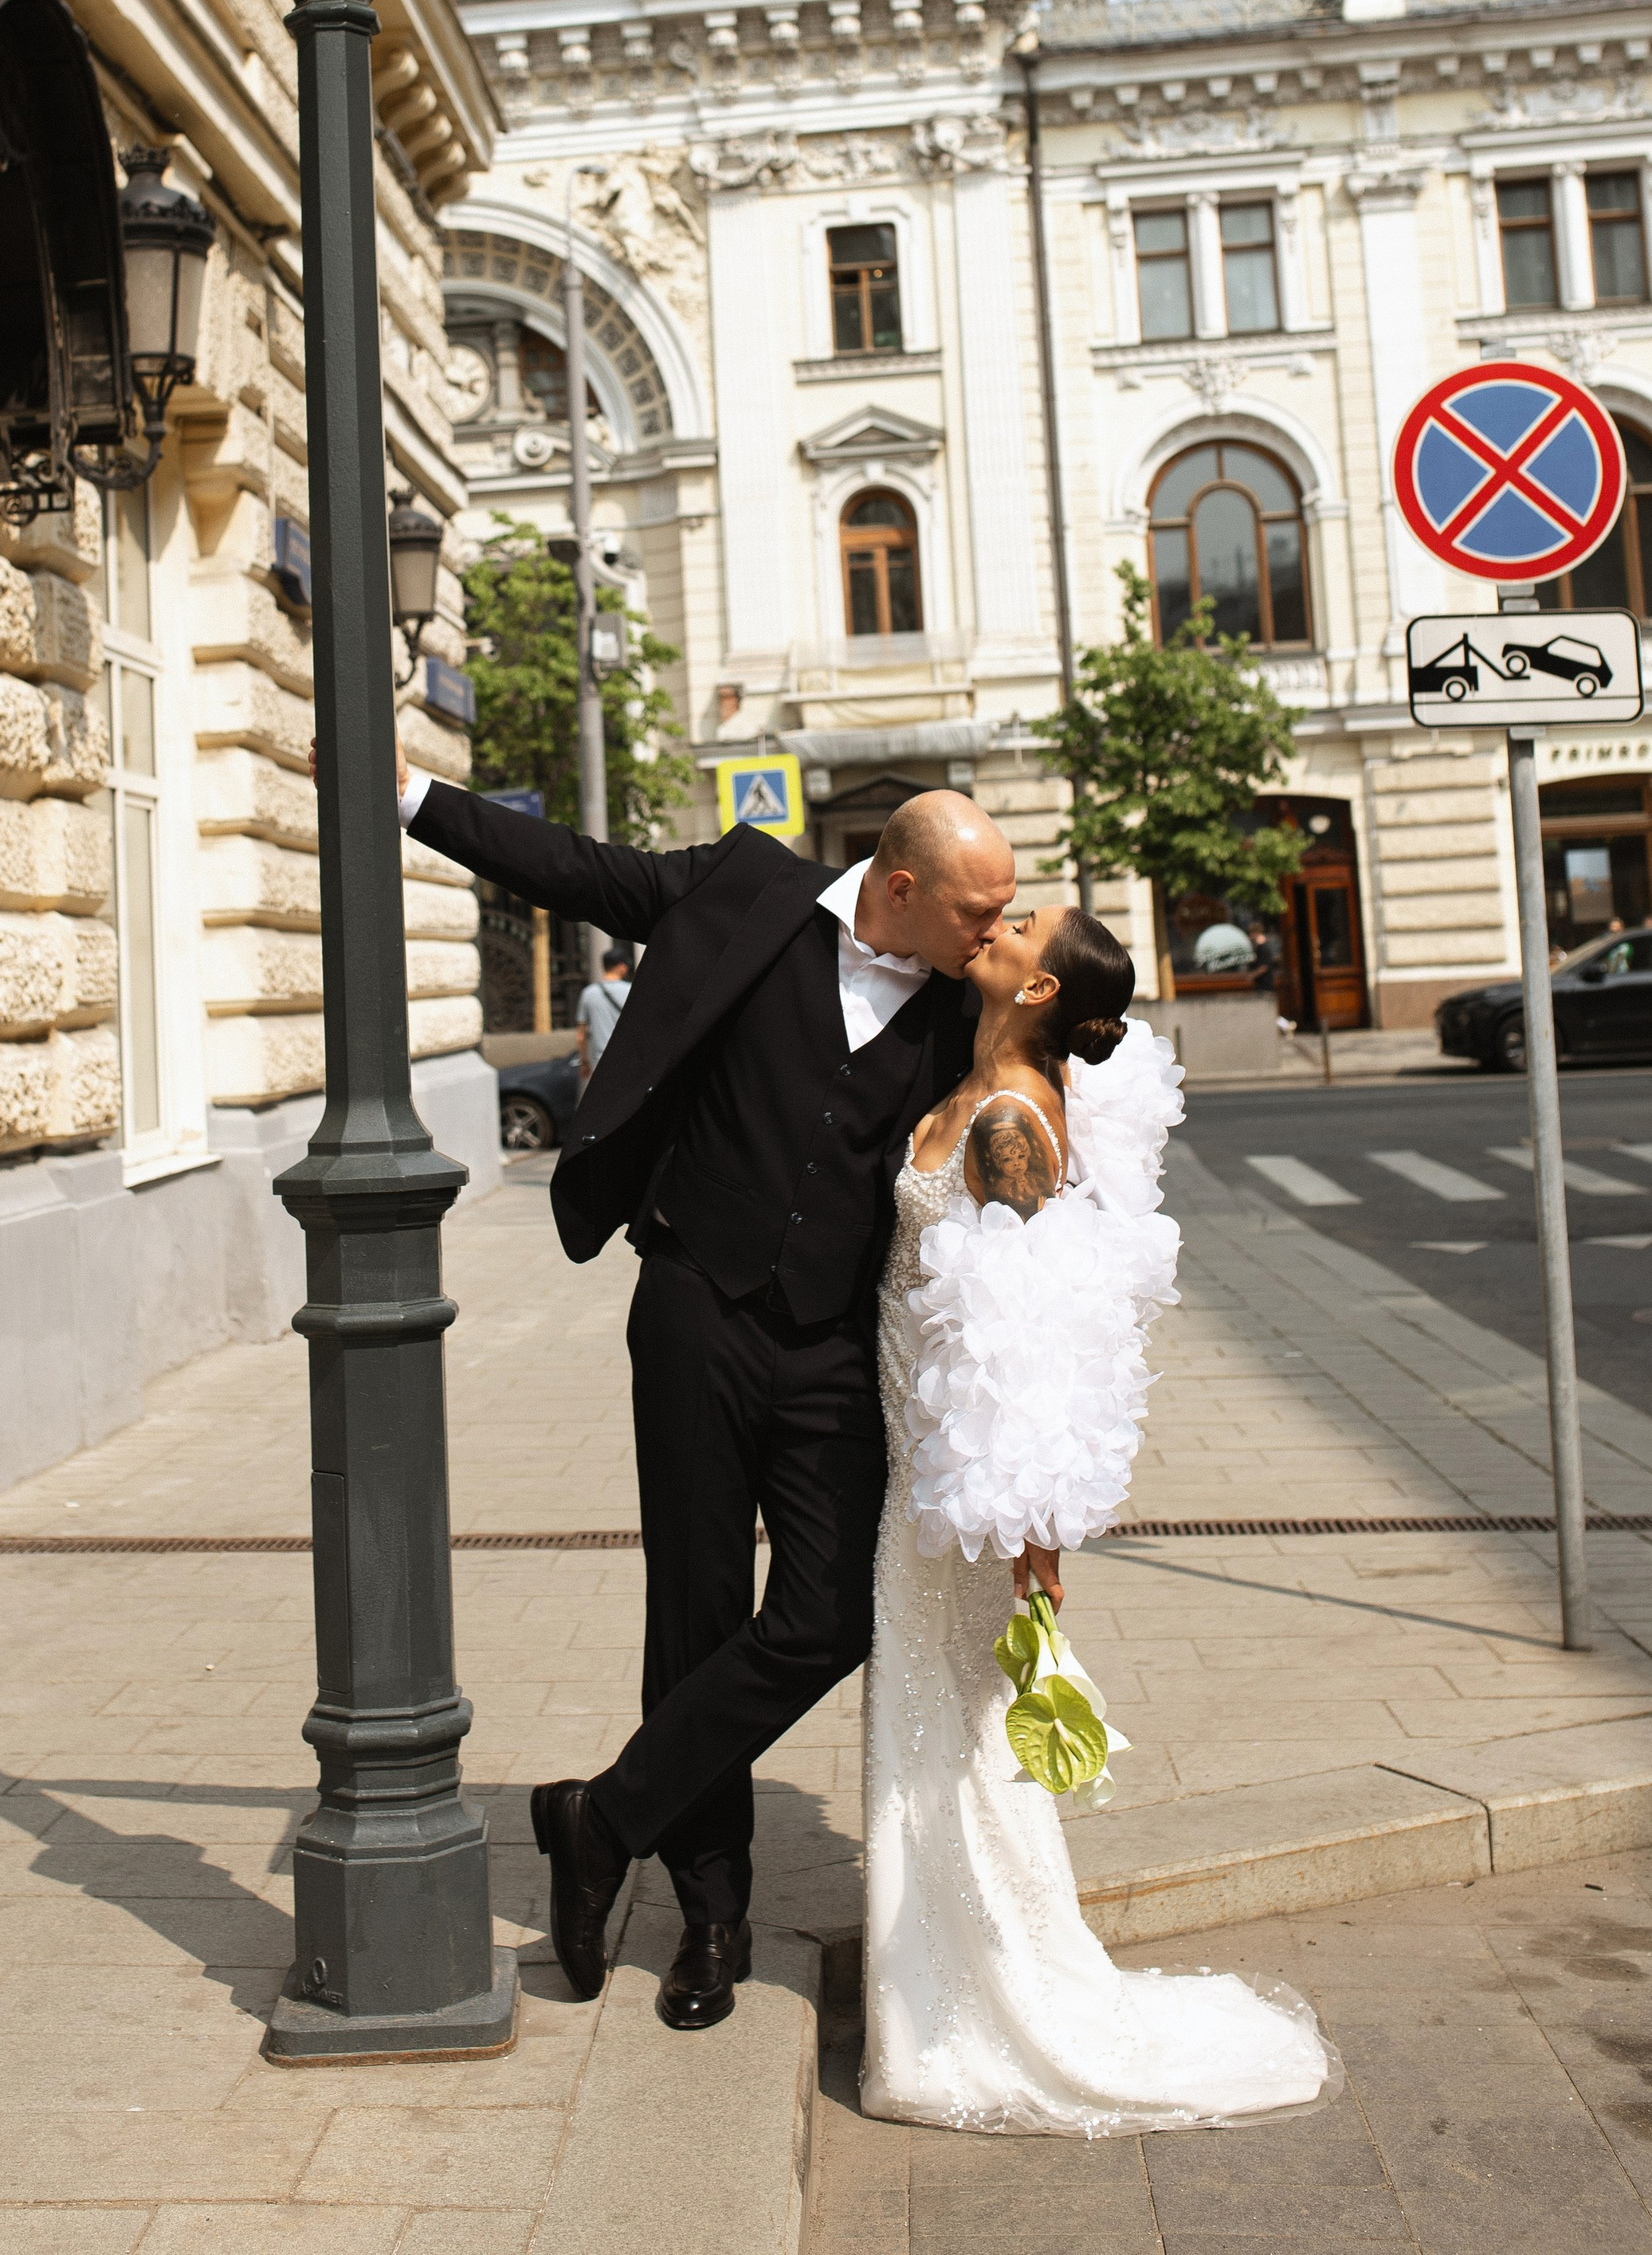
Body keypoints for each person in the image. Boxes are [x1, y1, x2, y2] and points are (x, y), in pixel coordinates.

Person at [394, 756, 1014, 2032]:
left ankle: (600, 1816)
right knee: (694, 1608)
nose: (994, 930)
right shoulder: (747, 890)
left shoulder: (965, 998)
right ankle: (711, 1916)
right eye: (977, 910)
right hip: (693, 1308)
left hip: (833, 1343)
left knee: (829, 1614)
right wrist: (411, 797)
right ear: (900, 886)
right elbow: (578, 869)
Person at [863, 902, 1334, 2131]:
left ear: (1037, 990)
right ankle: (945, 1987)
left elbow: (1034, 1331)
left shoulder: (1012, 1121)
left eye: (1023, 927)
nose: (999, 924)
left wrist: (1032, 1532)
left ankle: (975, 2009)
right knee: (938, 1725)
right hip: (920, 1459)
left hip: (960, 1495)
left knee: (955, 1729)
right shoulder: (996, 1080)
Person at [575, 945, 633, 1078]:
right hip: (629, 1060)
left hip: (601, 1063)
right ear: (622, 967)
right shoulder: (632, 990)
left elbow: (581, 1036)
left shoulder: (588, 993)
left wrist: (584, 1062)